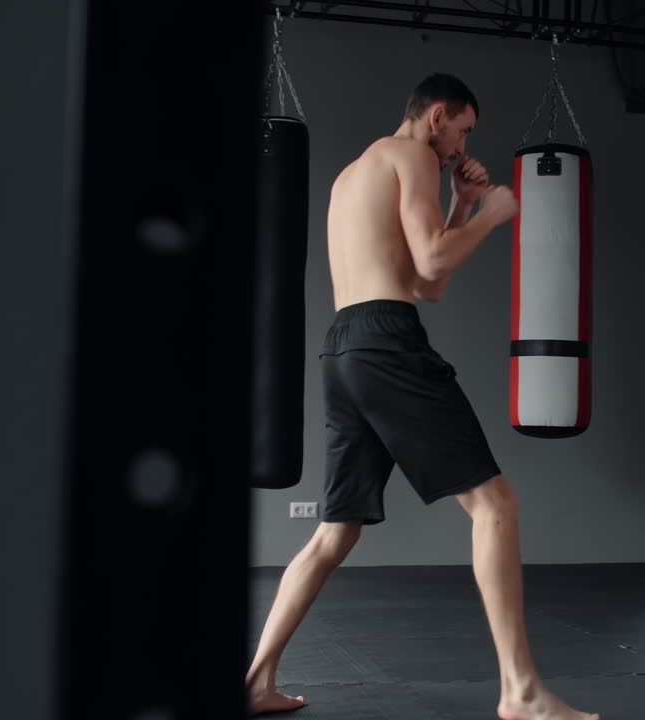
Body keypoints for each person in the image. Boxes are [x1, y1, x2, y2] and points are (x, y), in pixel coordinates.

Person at [245, 73, 599, 720]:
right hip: (386, 343)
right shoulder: (409, 153)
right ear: (437, 116)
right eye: (463, 130)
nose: (460, 146)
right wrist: (493, 214)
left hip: (343, 346)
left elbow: (423, 281)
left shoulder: (353, 174)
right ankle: (521, 692)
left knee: (335, 531)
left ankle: (255, 681)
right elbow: (433, 265)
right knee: (496, 507)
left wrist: (464, 206)